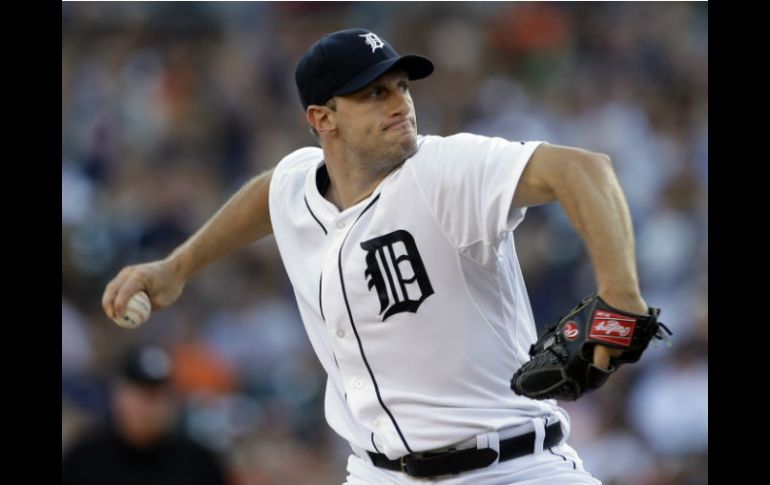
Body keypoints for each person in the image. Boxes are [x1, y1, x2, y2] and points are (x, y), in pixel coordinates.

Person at [102, 28, 652, 484]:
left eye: (401, 87)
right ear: (322, 119)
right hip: (378, 473)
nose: (400, 105)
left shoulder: (444, 171)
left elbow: (585, 170)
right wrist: (177, 267)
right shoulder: (299, 184)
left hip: (513, 468)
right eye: (373, 95)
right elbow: (268, 195)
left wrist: (620, 298)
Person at [62, 345, 229, 485]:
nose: (150, 406)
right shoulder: (85, 461)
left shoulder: (199, 463)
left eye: (158, 396)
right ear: (118, 395)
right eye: (141, 395)